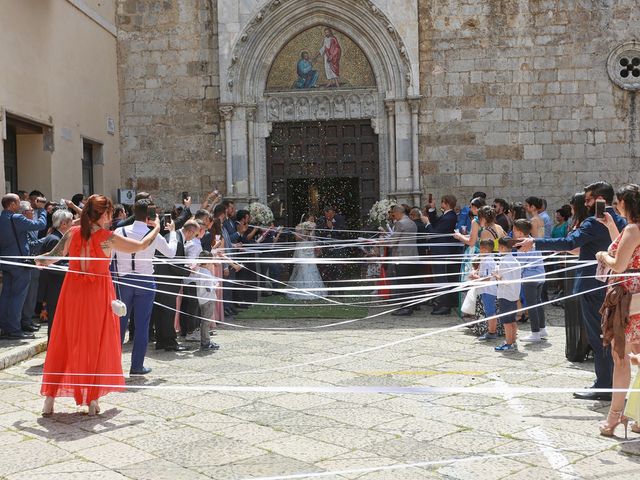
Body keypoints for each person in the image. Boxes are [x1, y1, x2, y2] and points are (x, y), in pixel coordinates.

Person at [37, 194, 161, 416]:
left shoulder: (72, 233)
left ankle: (50, 399)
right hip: (96, 294)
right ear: (103, 214)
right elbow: (141, 246)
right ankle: (92, 400)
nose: (111, 217)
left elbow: (51, 258)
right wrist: (158, 226)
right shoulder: (107, 238)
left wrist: (38, 260)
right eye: (110, 212)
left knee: (65, 339)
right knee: (95, 342)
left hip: (72, 293)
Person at [517, 181, 627, 400]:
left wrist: (535, 242)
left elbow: (569, 242)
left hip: (593, 286)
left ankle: (604, 385)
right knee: (609, 335)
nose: (584, 203)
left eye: (587, 199)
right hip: (613, 286)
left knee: (599, 336)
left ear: (598, 199)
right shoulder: (620, 220)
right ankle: (611, 382)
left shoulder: (594, 222)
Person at [595, 184, 640, 437]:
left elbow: (620, 264)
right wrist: (612, 227)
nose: (615, 205)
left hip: (626, 302)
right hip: (638, 298)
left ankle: (615, 417)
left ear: (626, 203)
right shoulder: (631, 230)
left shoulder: (633, 229)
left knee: (620, 358)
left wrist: (603, 256)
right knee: (638, 357)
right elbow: (626, 250)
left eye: (617, 202)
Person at [113, 199, 178, 375]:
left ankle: (113, 366)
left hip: (123, 281)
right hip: (145, 281)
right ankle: (136, 366)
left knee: (119, 325)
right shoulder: (154, 235)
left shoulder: (119, 231)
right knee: (142, 325)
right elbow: (171, 253)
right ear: (150, 215)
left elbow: (110, 255)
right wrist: (172, 233)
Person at [0, 193, 47, 339]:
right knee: (17, 297)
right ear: (12, 204)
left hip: (7, 262)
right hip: (20, 263)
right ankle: (14, 329)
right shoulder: (17, 218)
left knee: (6, 295)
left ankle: (4, 326)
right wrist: (43, 210)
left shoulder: (2, 218)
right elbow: (40, 224)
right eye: (19, 202)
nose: (21, 204)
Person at [153, 220, 199, 352]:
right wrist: (189, 270)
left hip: (161, 279)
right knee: (168, 312)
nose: (193, 238)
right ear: (189, 231)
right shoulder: (177, 241)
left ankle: (161, 340)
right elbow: (173, 264)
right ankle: (170, 342)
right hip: (168, 281)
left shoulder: (171, 236)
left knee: (161, 312)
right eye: (194, 234)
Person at [38, 209, 73, 339]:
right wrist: (73, 267)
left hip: (57, 287)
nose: (72, 225)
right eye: (71, 222)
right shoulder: (55, 239)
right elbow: (52, 265)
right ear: (63, 224)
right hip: (55, 288)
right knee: (55, 324)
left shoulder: (58, 237)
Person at [512, 219, 547, 343]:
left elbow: (521, 264)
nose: (513, 232)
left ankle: (535, 333)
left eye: (514, 230)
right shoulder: (533, 241)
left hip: (530, 278)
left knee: (532, 305)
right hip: (540, 277)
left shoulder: (523, 244)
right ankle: (542, 328)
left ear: (520, 232)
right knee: (538, 302)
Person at [423, 195, 459, 315]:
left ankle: (445, 305)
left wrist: (427, 224)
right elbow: (436, 221)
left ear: (447, 204)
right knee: (439, 277)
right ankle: (442, 302)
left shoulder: (450, 217)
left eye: (442, 202)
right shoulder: (446, 215)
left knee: (441, 277)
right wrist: (432, 210)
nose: (440, 204)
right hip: (439, 250)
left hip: (441, 250)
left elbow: (435, 233)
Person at [387, 205, 419, 316]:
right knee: (410, 283)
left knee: (403, 283)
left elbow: (393, 242)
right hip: (413, 257)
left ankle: (405, 307)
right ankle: (410, 305)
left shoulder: (400, 223)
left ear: (397, 212)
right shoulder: (412, 222)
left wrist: (383, 241)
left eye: (393, 214)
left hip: (402, 257)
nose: (392, 216)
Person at [493, 237, 522, 353]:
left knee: (506, 322)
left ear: (503, 248)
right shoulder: (515, 260)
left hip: (505, 295)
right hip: (514, 295)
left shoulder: (504, 262)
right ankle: (512, 341)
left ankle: (509, 343)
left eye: (499, 247)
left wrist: (496, 276)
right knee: (512, 320)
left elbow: (505, 280)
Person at [286, 221, 327, 300]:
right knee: (303, 269)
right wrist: (305, 233)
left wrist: (316, 246)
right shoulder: (299, 227)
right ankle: (303, 291)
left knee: (312, 268)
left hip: (310, 250)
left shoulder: (313, 228)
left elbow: (313, 239)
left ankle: (313, 290)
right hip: (302, 250)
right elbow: (297, 239)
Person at [193, 251, 222, 351]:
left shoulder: (199, 270)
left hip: (202, 299)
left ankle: (206, 341)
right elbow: (209, 288)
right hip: (208, 299)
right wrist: (216, 285)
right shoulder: (205, 272)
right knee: (206, 322)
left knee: (205, 321)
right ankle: (205, 343)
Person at [471, 239, 499, 340]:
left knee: (490, 312)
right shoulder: (486, 259)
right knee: (489, 311)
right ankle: (491, 331)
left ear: (485, 249)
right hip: (486, 290)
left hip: (488, 290)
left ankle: (492, 332)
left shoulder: (487, 260)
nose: (480, 251)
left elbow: (486, 278)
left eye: (481, 249)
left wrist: (475, 278)